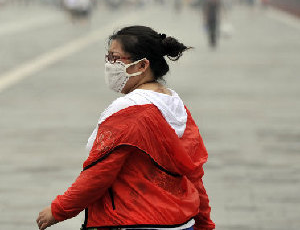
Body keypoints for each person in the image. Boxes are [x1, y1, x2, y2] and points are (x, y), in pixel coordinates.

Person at [36, 26, 215, 230]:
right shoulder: (176, 107)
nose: (109, 65)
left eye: (115, 58)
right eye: (108, 58)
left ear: (142, 65)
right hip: (181, 223)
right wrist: (204, 224)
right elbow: (194, 176)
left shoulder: (128, 111)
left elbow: (99, 174)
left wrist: (59, 209)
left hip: (133, 221)